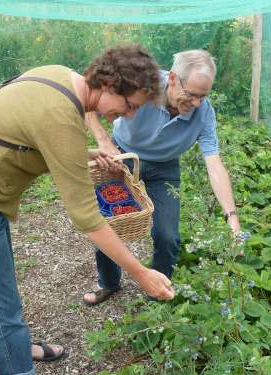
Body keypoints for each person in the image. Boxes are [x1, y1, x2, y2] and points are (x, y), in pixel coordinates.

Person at [0, 44, 174, 375]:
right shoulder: (62, 118)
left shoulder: (60, 75)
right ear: (108, 84)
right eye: (129, 105)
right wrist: (140, 272)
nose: (130, 114)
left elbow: (30, 132)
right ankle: (13, 362)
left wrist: (82, 154)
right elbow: (87, 217)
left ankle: (14, 345)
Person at [83, 49, 240, 305]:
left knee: (168, 236)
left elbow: (214, 165)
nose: (197, 103)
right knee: (111, 224)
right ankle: (109, 283)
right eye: (191, 95)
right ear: (174, 79)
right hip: (121, 158)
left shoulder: (203, 113)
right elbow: (89, 96)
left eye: (203, 96)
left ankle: (158, 292)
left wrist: (232, 219)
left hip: (165, 168)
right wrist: (102, 140)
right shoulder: (143, 82)